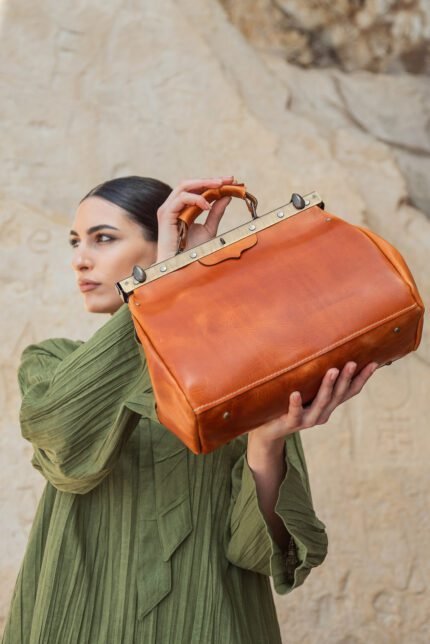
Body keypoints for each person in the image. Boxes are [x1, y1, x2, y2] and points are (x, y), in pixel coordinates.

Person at [2, 175, 378, 644]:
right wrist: (161, 290)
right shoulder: (50, 362)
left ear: (167, 240)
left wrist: (266, 442)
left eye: (103, 239)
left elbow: (262, 555)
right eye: (76, 242)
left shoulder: (246, 376)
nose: (80, 259)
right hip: (77, 624)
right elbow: (66, 447)